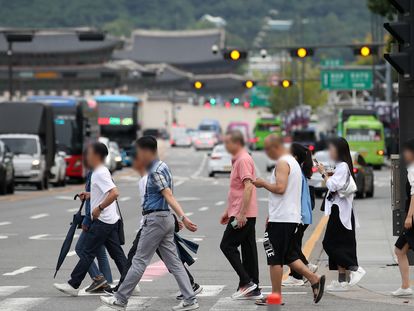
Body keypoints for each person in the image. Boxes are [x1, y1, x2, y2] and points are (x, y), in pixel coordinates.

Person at [101, 136, 199, 311]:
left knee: (139, 261)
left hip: (155, 220)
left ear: (147, 151)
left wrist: (183, 217)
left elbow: (168, 194)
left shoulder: (154, 171)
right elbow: (166, 197)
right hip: (165, 218)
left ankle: (120, 299)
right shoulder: (164, 166)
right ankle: (190, 299)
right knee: (174, 262)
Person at [253, 135, 325, 304]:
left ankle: (275, 297)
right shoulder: (293, 163)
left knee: (275, 258)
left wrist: (263, 183)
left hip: (282, 219)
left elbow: (280, 188)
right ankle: (314, 279)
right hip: (288, 217)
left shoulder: (283, 163)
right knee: (289, 256)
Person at [54, 142, 128, 296]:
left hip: (102, 221)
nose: (87, 156)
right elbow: (104, 193)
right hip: (110, 220)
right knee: (117, 254)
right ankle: (130, 282)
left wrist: (99, 208)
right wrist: (89, 195)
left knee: (86, 251)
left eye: (89, 153)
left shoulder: (99, 172)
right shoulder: (101, 171)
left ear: (96, 155)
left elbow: (114, 193)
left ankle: (73, 284)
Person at [317, 137, 366, 292]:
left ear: (338, 150)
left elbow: (332, 185)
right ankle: (342, 280)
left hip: (340, 210)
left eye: (331, 149)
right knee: (341, 244)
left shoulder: (343, 166)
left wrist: (324, 174)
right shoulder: (341, 166)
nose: (329, 152)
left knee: (329, 243)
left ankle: (355, 268)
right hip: (340, 209)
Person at [219, 130, 261, 300]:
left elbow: (249, 186)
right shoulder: (239, 159)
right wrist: (228, 212)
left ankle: (247, 282)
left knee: (227, 245)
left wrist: (241, 214)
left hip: (243, 214)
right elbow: (236, 191)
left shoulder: (243, 159)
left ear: (236, 143)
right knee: (249, 250)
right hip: (241, 212)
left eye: (228, 143)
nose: (226, 147)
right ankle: (253, 287)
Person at [74, 151, 113, 293]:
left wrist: (86, 220)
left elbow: (109, 195)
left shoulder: (96, 173)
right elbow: (100, 195)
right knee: (100, 252)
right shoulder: (102, 171)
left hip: (97, 218)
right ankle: (106, 283)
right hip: (105, 218)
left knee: (81, 249)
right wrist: (89, 195)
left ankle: (98, 278)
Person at [282, 143, 318, 287]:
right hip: (302, 215)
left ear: (295, 156)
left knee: (291, 248)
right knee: (294, 246)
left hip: (300, 216)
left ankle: (298, 276)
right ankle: (306, 268)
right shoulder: (300, 171)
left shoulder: (296, 172)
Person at [392, 138, 414, 297]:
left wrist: (409, 216)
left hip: (413, 215)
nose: (404, 154)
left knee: (399, 250)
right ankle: (405, 286)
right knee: (400, 249)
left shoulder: (413, 168)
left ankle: (406, 286)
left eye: (406, 151)